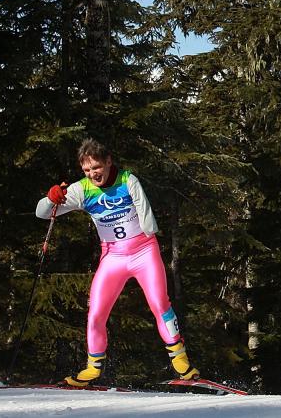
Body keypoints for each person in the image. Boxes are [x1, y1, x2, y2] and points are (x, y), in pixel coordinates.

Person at [37, 138, 198, 387]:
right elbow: (43, 212)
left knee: (159, 303)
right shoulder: (82, 189)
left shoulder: (127, 180)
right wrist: (52, 198)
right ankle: (92, 369)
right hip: (113, 256)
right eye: (87, 170)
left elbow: (144, 208)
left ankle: (181, 361)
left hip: (144, 251)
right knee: (96, 312)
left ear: (108, 161)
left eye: (97, 168)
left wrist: (151, 230)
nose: (93, 174)